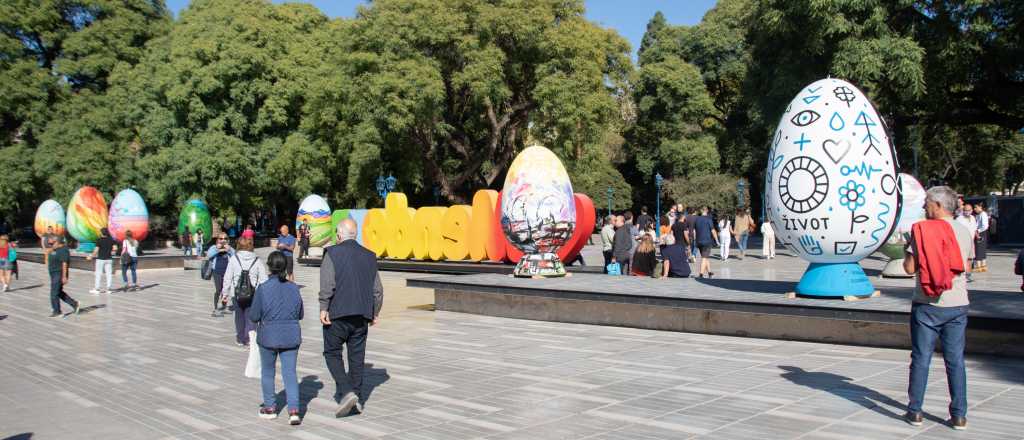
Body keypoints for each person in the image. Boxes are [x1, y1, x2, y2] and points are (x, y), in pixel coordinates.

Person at [901, 186, 971, 431]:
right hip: (958, 303)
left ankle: (915, 411)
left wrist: (907, 248)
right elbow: (966, 266)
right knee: (955, 360)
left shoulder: (922, 230)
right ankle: (959, 415)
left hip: (927, 304)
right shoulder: (964, 230)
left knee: (921, 358)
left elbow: (909, 268)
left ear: (938, 206)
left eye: (927, 202)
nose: (924, 207)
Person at [320, 219, 383, 417]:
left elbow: (327, 284)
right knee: (357, 357)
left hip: (337, 314)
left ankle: (347, 392)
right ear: (355, 235)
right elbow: (377, 290)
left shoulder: (331, 253)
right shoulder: (369, 256)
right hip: (361, 315)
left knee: (332, 352)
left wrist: (323, 307)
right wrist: (374, 312)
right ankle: (357, 398)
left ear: (339, 235)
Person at [249, 251, 304, 425]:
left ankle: (270, 408)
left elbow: (254, 315)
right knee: (290, 373)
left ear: (269, 267)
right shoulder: (294, 288)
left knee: (268, 371)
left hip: (268, 336)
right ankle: (294, 411)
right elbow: (300, 314)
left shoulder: (263, 288)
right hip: (291, 335)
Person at [222, 236, 268, 346]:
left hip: (236, 293)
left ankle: (240, 338)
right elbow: (264, 279)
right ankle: (249, 338)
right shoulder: (257, 260)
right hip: (252, 294)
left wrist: (225, 293)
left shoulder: (234, 259)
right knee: (250, 316)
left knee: (238, 316)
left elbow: (227, 277)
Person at [48, 237, 80, 317]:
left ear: (58, 242)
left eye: (52, 243)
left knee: (54, 293)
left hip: (59, 273)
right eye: (50, 244)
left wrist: (64, 276)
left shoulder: (63, 250)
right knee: (58, 292)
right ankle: (74, 304)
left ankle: (57, 311)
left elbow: (64, 264)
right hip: (54, 273)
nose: (51, 245)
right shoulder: (55, 249)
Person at [206, 233, 234, 317]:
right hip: (217, 272)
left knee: (225, 290)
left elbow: (235, 256)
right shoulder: (213, 247)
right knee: (218, 290)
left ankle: (224, 307)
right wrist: (217, 250)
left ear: (227, 240)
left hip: (227, 272)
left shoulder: (229, 248)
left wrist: (229, 250)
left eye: (225, 238)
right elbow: (209, 255)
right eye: (221, 238)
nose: (223, 240)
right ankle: (215, 309)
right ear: (217, 240)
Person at [87, 228, 116, 294]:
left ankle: (97, 289)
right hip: (109, 259)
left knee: (98, 274)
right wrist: (110, 252)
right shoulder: (111, 240)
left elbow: (96, 251)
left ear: (101, 233)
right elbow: (115, 248)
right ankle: (109, 289)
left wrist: (91, 256)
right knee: (109, 274)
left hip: (100, 259)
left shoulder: (99, 240)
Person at [694, 207, 718, 278]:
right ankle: (701, 274)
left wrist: (695, 239)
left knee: (705, 257)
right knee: (704, 257)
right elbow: (713, 230)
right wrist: (717, 240)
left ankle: (710, 273)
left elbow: (695, 230)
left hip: (699, 241)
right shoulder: (708, 219)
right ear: (707, 211)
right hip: (707, 241)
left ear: (701, 211)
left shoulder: (697, 219)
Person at [955, 204, 977, 281]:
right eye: (965, 210)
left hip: (971, 241)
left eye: (969, 210)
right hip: (962, 241)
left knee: (970, 258)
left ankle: (968, 275)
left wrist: (977, 236)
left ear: (971, 210)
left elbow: (974, 228)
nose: (967, 212)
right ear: (963, 210)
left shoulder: (973, 218)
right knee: (963, 258)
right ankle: (962, 274)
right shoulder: (959, 219)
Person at [973, 204, 989, 272]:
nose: (975, 209)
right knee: (981, 249)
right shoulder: (978, 215)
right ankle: (983, 266)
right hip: (980, 232)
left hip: (981, 232)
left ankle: (979, 266)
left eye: (976, 207)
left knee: (979, 249)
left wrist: (977, 231)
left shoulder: (983, 214)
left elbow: (985, 226)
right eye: (974, 207)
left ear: (980, 207)